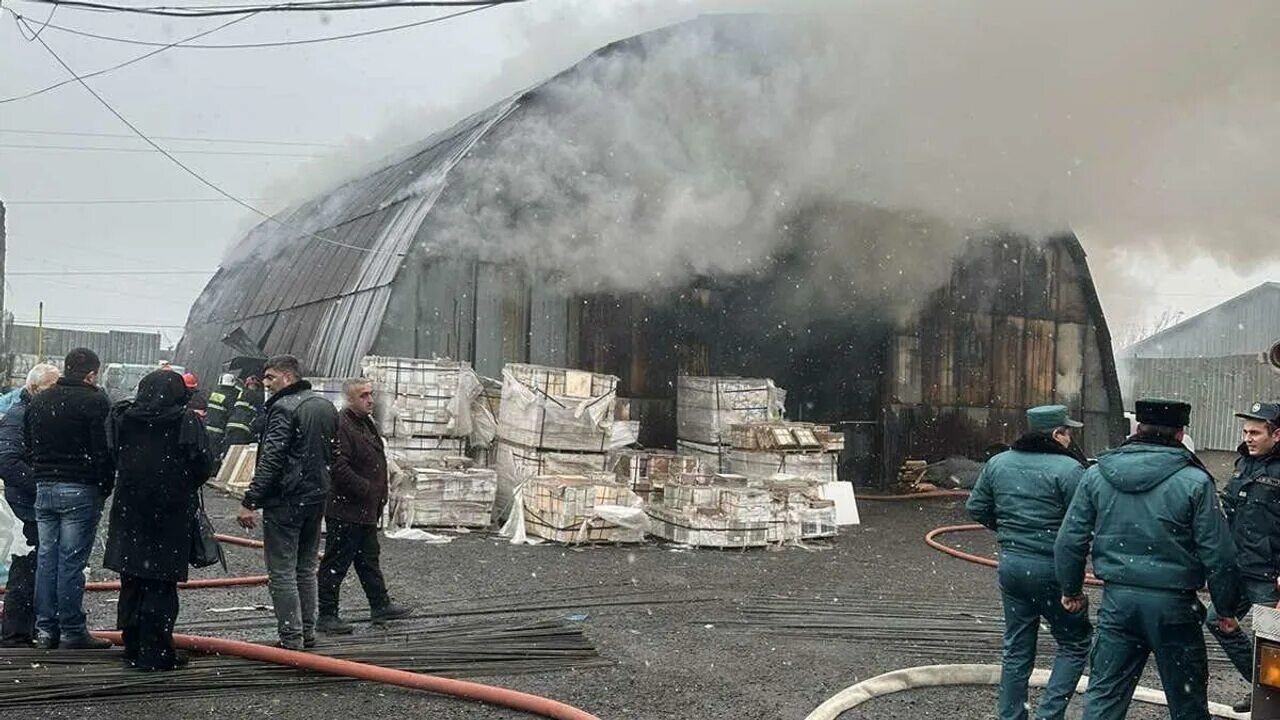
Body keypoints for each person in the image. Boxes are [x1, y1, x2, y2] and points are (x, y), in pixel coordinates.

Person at [1055, 399, 1240, 720]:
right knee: (1187, 704)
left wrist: (1071, 590)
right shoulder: (1195, 482)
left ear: (1138, 429)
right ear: (1181, 435)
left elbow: (1069, 540)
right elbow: (1219, 554)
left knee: (1105, 698)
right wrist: (1225, 609)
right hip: (1175, 607)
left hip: (1118, 603)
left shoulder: (1097, 474)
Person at [966, 405, 1091, 720]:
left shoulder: (998, 463)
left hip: (1012, 566)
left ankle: (1011, 716)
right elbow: (1081, 527)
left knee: (1017, 647)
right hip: (1053, 569)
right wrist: (1073, 587)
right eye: (1068, 432)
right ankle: (1049, 715)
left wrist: (1009, 532)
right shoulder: (1070, 471)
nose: (1070, 438)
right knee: (1075, 643)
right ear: (1056, 434)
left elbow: (976, 506)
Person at [103, 370, 215, 671]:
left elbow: (112, 454)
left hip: (130, 510)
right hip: (169, 513)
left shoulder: (123, 416)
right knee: (160, 585)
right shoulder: (185, 421)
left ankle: (132, 643)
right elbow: (205, 464)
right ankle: (155, 651)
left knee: (132, 579)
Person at [236, 355, 337, 650]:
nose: (265, 384)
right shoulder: (324, 406)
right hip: (315, 498)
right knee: (305, 568)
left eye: (270, 378)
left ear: (288, 378)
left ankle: (291, 638)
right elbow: (334, 453)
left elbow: (272, 459)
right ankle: (306, 632)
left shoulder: (283, 408)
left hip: (286, 501)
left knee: (282, 571)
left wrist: (250, 500)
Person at [26, 348, 115, 650]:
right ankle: (72, 631)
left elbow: (29, 443)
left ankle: (45, 631)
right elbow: (102, 450)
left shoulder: (39, 401)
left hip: (44, 488)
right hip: (79, 488)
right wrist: (104, 486)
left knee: (46, 560)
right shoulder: (94, 401)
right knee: (71, 563)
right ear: (91, 374)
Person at [317, 379, 411, 634]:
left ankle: (380, 605)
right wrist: (366, 489)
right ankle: (326, 615)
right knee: (336, 562)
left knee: (368, 560)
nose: (370, 400)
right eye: (363, 396)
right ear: (349, 400)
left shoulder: (365, 423)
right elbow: (338, 467)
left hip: (365, 511)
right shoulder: (342, 425)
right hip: (347, 510)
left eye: (370, 394)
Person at [1206, 400, 1280, 714]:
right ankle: (1260, 686)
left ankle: (1271, 701)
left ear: (1276, 435)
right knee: (1217, 620)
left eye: (1256, 432)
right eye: (1245, 431)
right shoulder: (1243, 463)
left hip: (1268, 573)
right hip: (1239, 568)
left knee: (1271, 642)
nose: (1248, 438)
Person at [0, 364, 61, 647]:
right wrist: (43, 488)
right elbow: (8, 462)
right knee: (26, 566)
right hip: (27, 504)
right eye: (52, 387)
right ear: (34, 389)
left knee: (42, 565)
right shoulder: (18, 416)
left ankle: (36, 628)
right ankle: (15, 634)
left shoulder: (41, 414)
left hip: (37, 500)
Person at [224, 374, 264, 447]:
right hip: (243, 428)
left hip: (230, 426)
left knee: (229, 451)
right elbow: (261, 415)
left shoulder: (239, 393)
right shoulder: (257, 397)